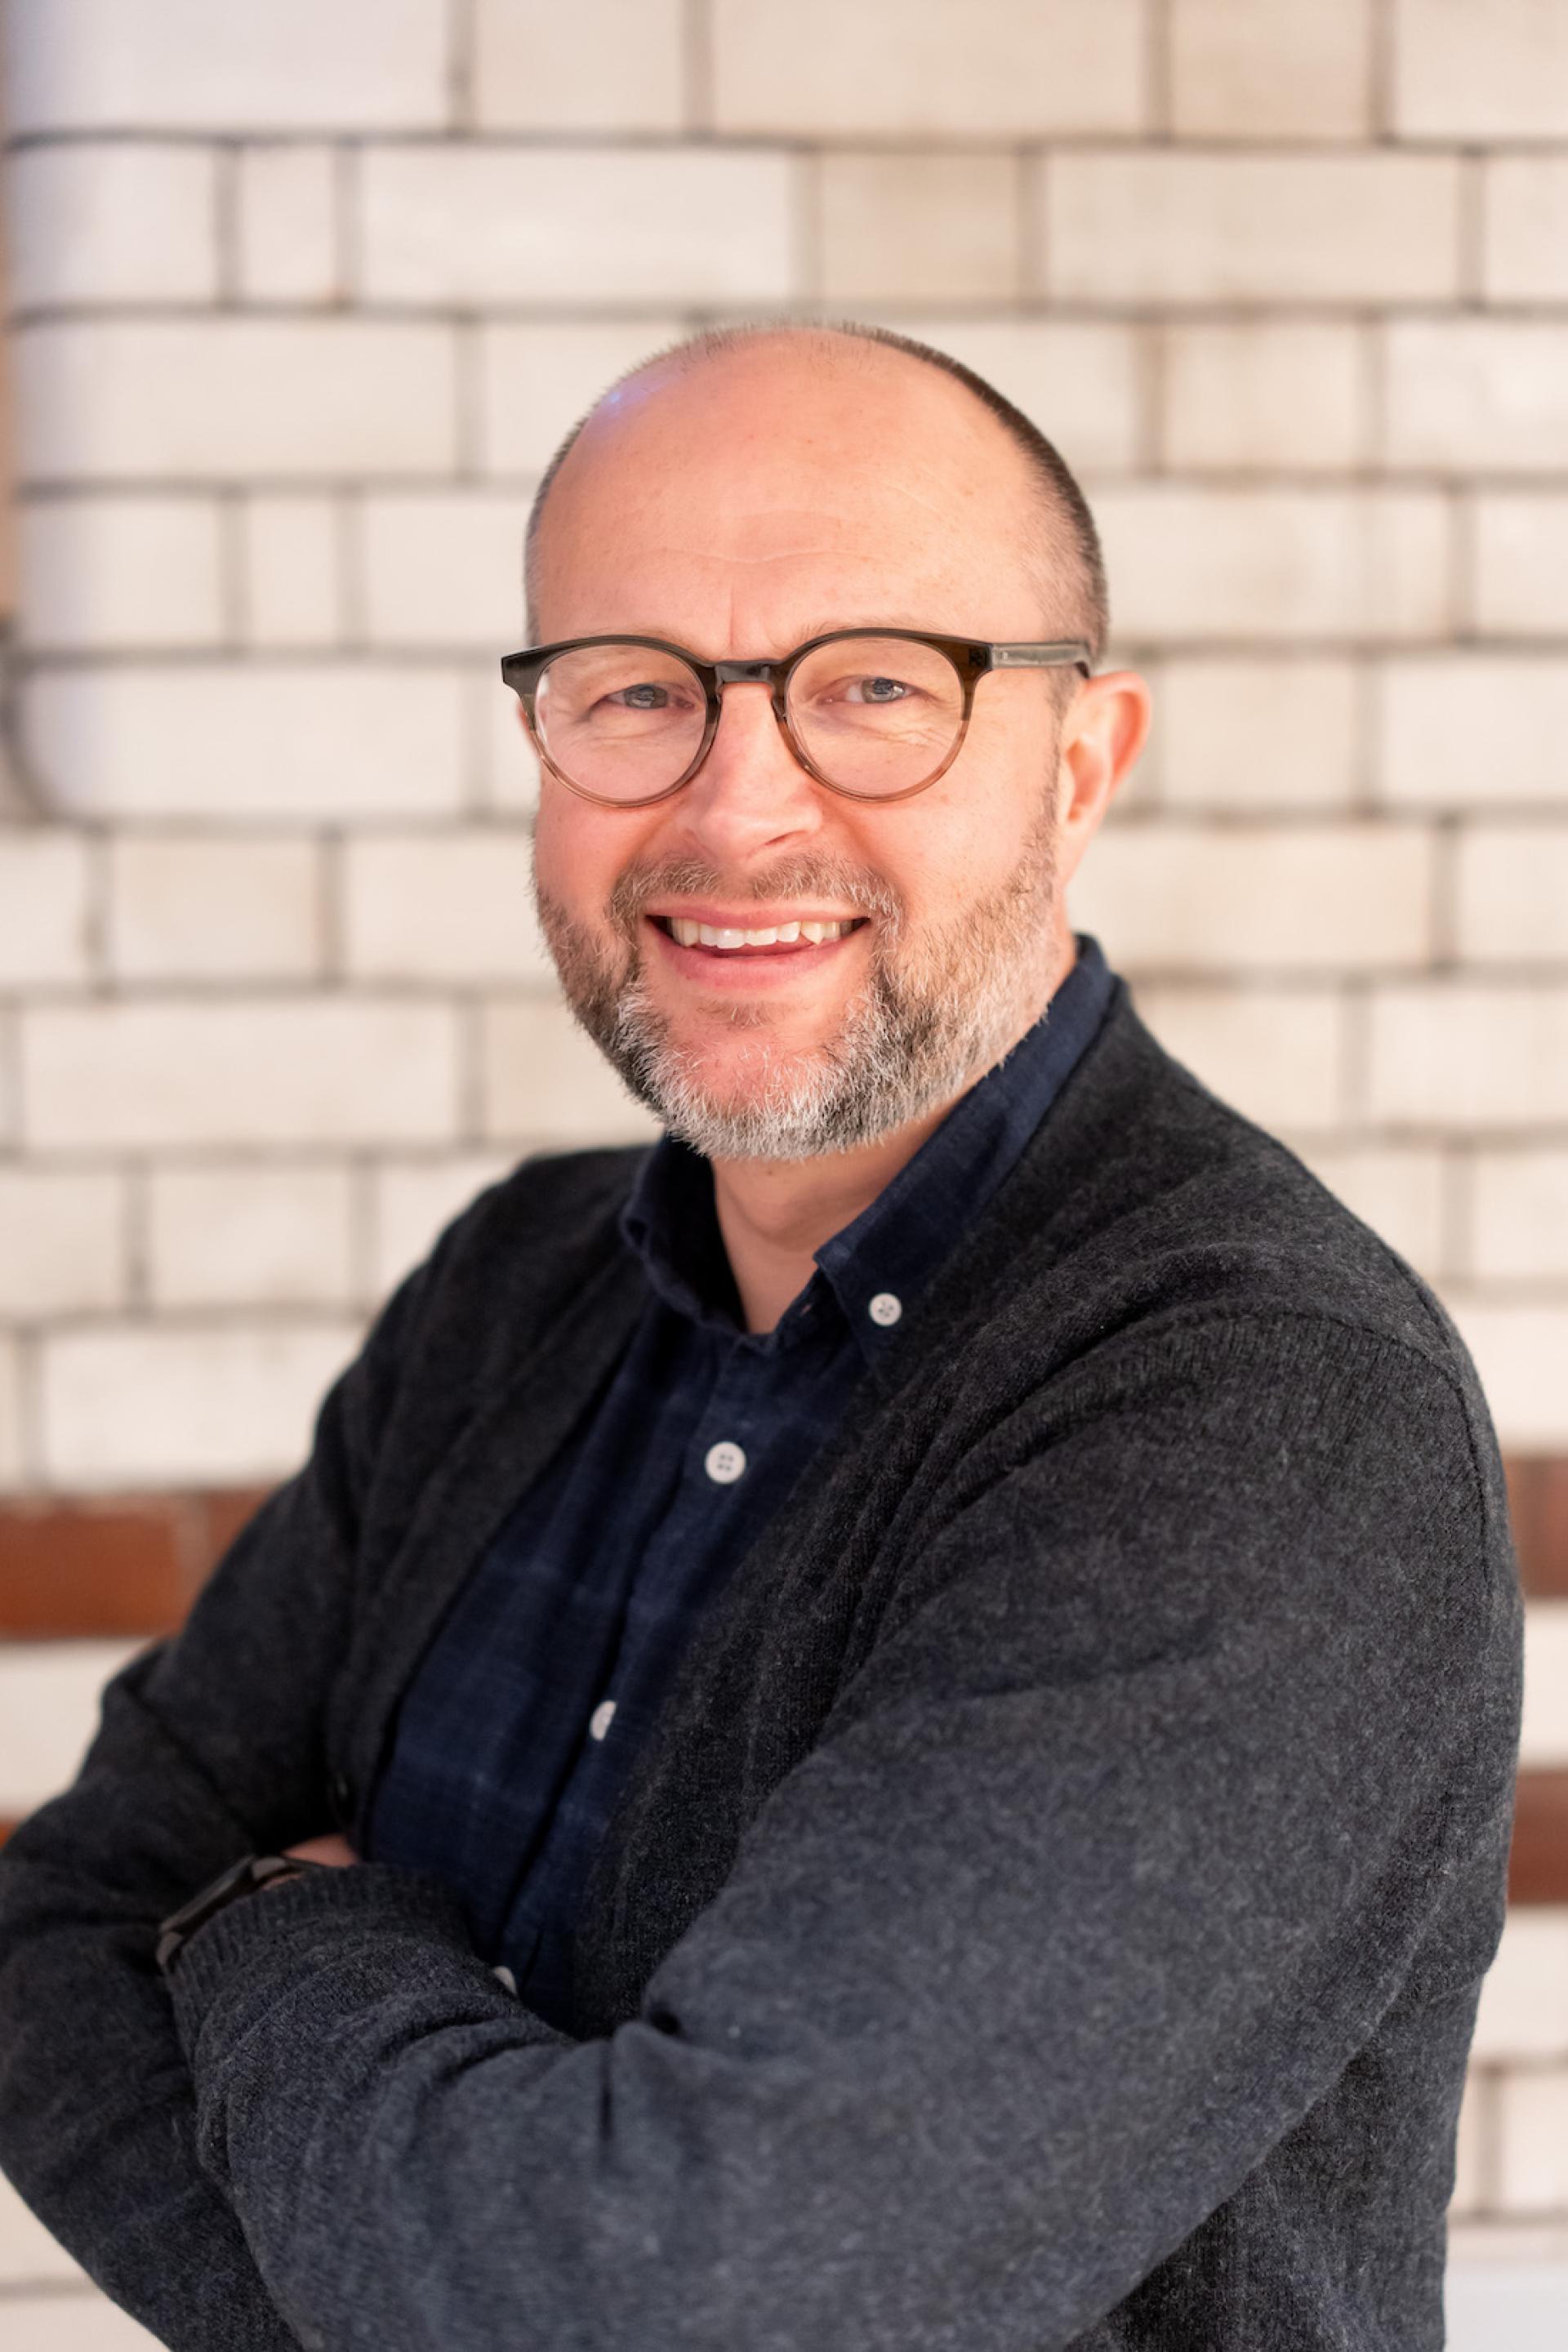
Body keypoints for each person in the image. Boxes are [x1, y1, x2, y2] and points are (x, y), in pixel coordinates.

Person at [0, 323, 1523, 2352]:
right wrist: (467, 2280)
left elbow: (688, 2312)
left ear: (1080, 764)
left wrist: (289, 1939)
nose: (736, 811)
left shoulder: (1260, 1414)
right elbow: (56, 1940)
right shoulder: (511, 1289)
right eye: (631, 690)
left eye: (874, 689)